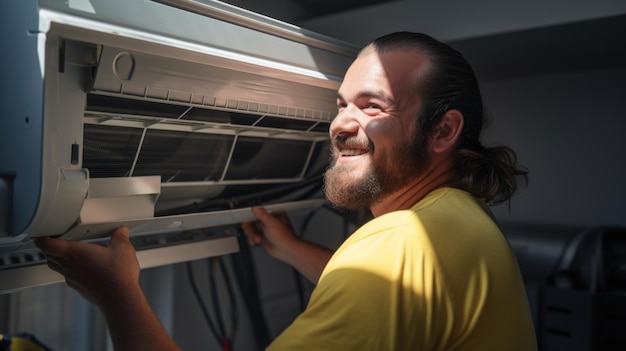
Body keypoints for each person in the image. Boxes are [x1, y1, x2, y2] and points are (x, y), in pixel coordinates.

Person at [36, 31, 537, 350]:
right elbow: (401, 299)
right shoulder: (459, 222)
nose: (341, 123)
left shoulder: (402, 242)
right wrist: (295, 250)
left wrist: (116, 294)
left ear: (443, 131)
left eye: (373, 106)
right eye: (342, 103)